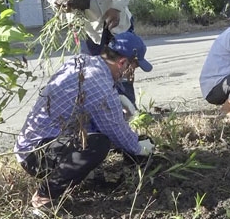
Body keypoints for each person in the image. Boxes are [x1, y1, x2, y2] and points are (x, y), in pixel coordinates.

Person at [14, 32, 155, 212]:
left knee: (98, 131)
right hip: (35, 155)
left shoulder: (83, 61)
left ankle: (88, 177)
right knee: (98, 144)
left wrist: (118, 98)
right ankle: (43, 198)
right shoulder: (100, 85)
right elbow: (117, 131)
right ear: (122, 63)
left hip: (34, 143)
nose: (129, 74)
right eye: (132, 68)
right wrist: (139, 147)